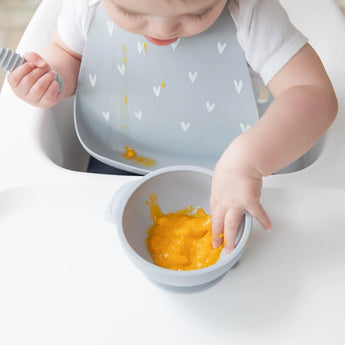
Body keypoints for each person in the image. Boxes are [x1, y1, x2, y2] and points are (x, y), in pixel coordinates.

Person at [7, 0, 338, 254]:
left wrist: (247, 160)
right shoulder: (88, 5)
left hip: (229, 177)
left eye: (197, 13)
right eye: (128, 11)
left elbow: (312, 94)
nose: (162, 31)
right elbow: (69, 54)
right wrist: (51, 78)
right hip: (117, 158)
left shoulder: (248, 11)